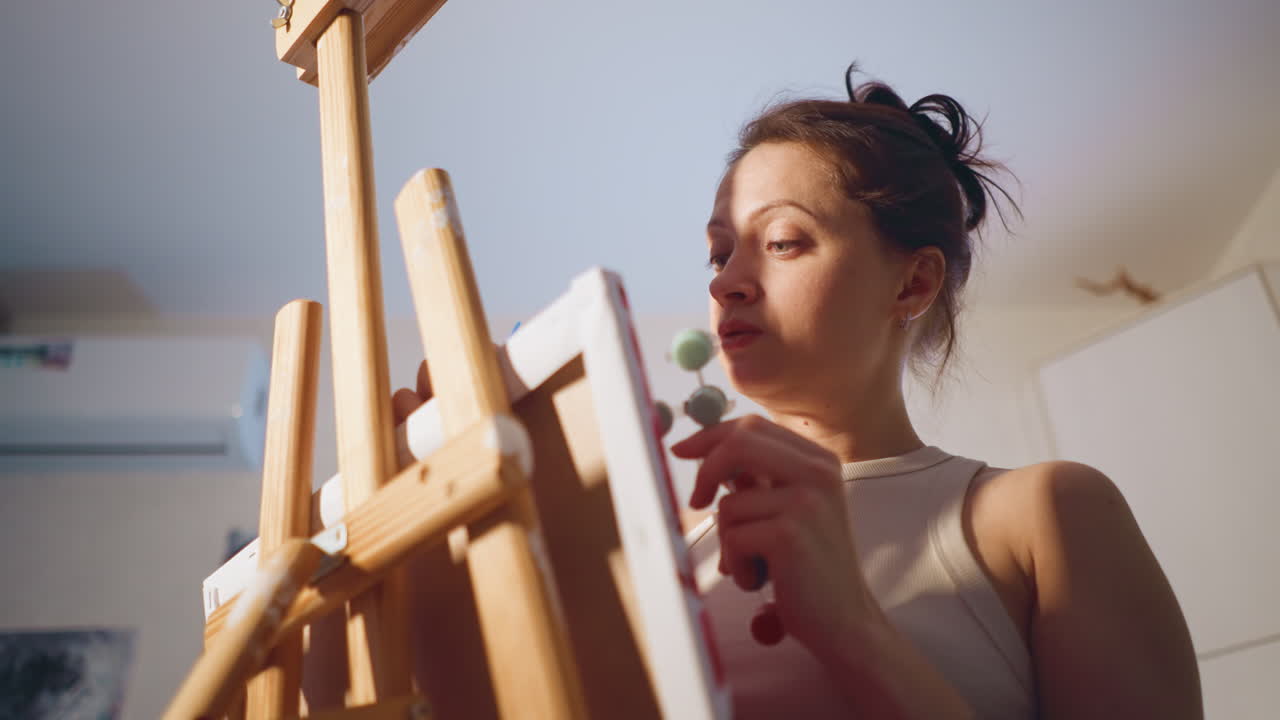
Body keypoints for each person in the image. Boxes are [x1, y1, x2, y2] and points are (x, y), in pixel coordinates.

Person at [392, 66, 1203, 718]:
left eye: (782, 241)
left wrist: (851, 629)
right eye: (719, 254)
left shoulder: (1039, 515)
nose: (729, 283)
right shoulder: (668, 549)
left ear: (912, 284)